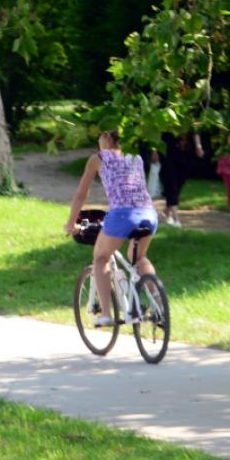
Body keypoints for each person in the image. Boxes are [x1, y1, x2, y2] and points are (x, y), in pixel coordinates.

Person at [67, 129, 158, 327]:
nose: (98, 141)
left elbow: (82, 194)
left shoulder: (98, 158)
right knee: (140, 258)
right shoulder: (135, 157)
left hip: (122, 215)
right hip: (148, 213)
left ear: (107, 137)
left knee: (100, 258)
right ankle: (159, 305)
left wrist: (71, 222)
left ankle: (106, 313)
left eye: (99, 136)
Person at [158, 131, 204, 227]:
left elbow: (195, 129)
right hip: (169, 153)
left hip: (185, 155)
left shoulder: (191, 119)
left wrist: (198, 145)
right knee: (172, 184)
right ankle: (176, 218)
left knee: (178, 185)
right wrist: (155, 151)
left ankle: (167, 209)